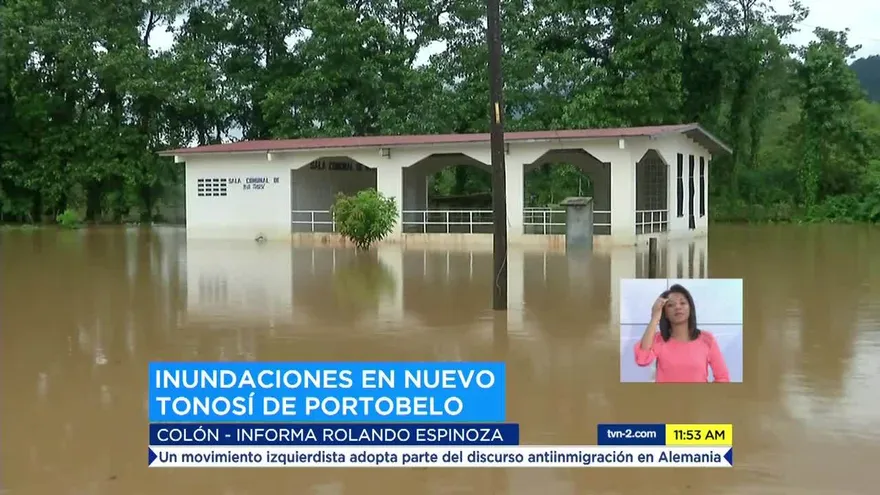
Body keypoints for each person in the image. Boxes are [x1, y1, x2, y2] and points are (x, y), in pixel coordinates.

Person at [634, 284, 730, 383]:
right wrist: (654, 318)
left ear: (690, 308)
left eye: (683, 303)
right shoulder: (659, 339)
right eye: (671, 305)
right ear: (665, 313)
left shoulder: (707, 339)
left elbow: (723, 378)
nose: (678, 307)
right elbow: (642, 359)